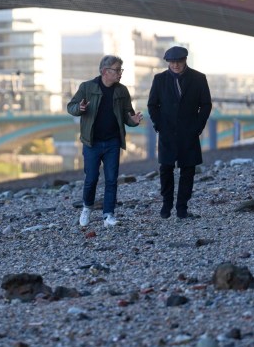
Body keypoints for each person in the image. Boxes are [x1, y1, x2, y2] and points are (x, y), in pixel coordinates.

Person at [66, 55, 144, 228]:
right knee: (91, 178)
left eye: (120, 70)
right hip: (91, 142)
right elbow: (70, 107)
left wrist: (134, 121)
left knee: (111, 179)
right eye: (116, 70)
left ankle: (108, 215)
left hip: (112, 142)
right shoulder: (87, 87)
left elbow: (127, 115)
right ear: (104, 71)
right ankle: (87, 207)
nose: (119, 74)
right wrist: (79, 108)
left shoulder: (122, 91)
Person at [146, 46, 212, 220]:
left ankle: (182, 208)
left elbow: (206, 105)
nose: (175, 65)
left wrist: (198, 126)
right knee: (166, 169)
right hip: (167, 132)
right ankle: (166, 205)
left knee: (188, 170)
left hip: (189, 132)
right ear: (168, 62)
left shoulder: (199, 78)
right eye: (171, 62)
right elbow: (152, 105)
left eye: (178, 61)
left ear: (185, 60)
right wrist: (159, 125)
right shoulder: (159, 79)